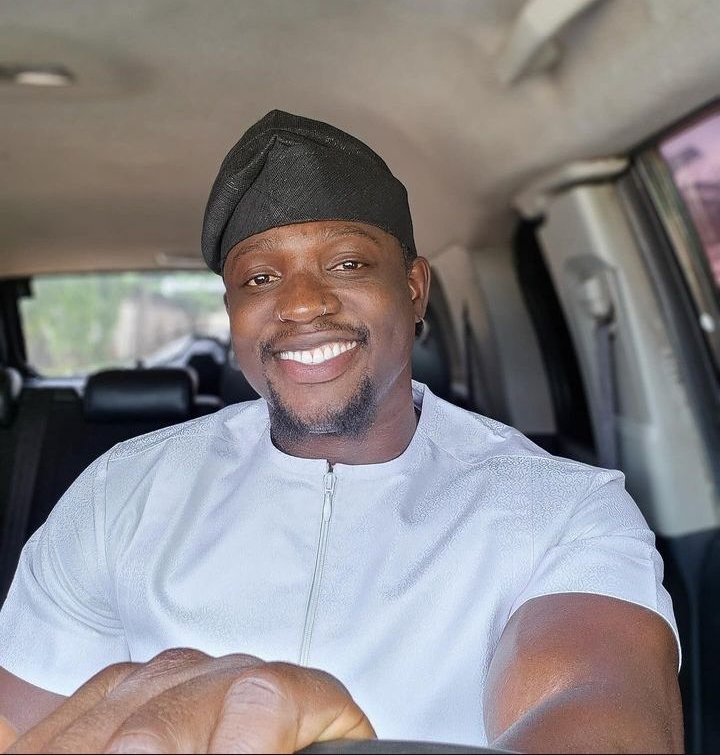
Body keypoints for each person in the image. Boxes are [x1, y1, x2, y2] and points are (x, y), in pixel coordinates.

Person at [0, 111, 683, 753]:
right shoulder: (121, 492)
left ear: (414, 288)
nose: (299, 304)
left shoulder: (560, 507)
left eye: (347, 263)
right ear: (232, 312)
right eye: (260, 277)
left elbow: (603, 716)